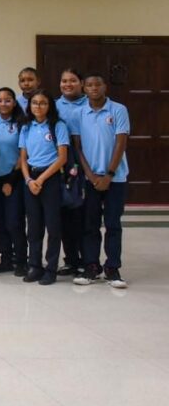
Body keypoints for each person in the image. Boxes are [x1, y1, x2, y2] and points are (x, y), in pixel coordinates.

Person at [73, 73, 130, 289]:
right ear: (84, 89)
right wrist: (90, 174)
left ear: (105, 87)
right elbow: (77, 146)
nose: (94, 88)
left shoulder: (118, 110)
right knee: (90, 224)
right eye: (89, 85)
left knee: (113, 224)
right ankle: (91, 266)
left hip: (116, 178)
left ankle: (112, 268)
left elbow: (121, 142)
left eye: (97, 84)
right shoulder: (79, 113)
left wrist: (109, 174)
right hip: (91, 179)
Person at [19, 90, 69, 285]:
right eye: (34, 103)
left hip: (50, 178)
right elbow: (23, 158)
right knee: (33, 227)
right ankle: (35, 266)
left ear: (50, 106)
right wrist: (29, 180)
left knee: (53, 226)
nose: (38, 106)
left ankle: (51, 268)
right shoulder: (26, 127)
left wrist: (41, 180)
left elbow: (62, 157)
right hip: (31, 178)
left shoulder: (58, 126)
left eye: (43, 103)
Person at [0, 87, 25, 274]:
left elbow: (23, 155)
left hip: (14, 179)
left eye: (7, 100)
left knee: (13, 222)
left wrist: (11, 180)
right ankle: (6, 258)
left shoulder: (22, 124)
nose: (3, 104)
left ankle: (21, 260)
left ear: (14, 102)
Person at [55, 68, 87, 276]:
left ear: (81, 83)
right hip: (65, 163)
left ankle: (87, 260)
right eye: (64, 80)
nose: (68, 84)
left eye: (72, 80)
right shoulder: (56, 105)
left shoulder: (90, 103)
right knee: (66, 210)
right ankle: (70, 260)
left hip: (87, 163)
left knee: (84, 215)